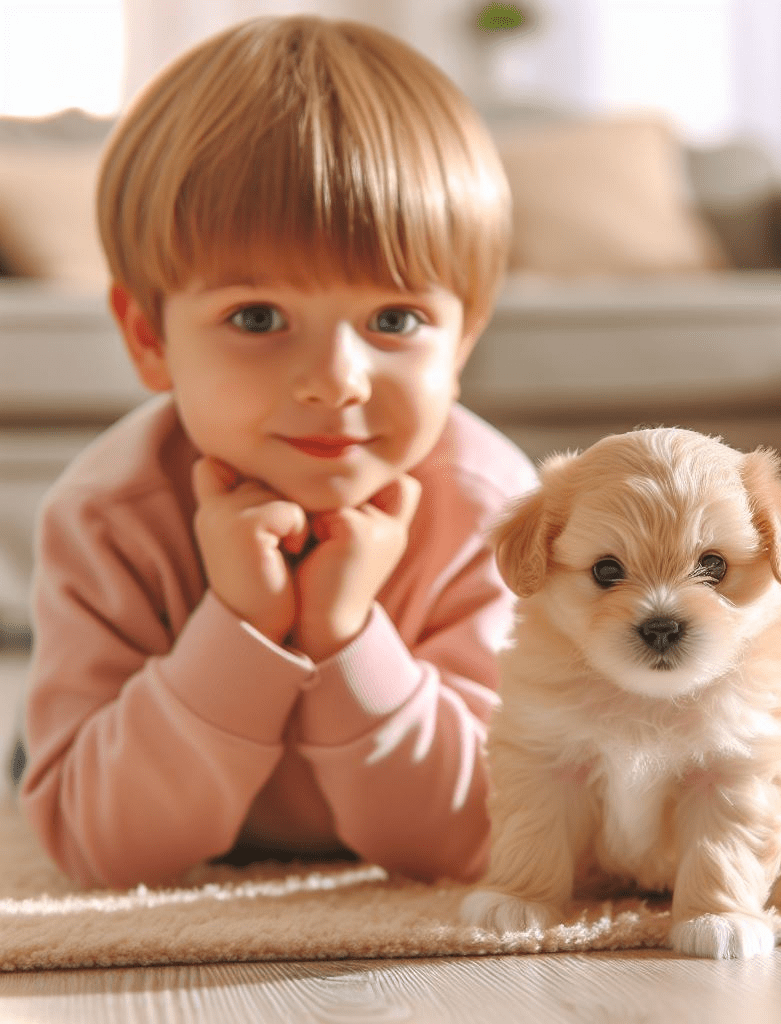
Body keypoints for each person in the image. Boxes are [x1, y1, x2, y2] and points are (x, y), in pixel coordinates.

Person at [17, 15, 537, 889]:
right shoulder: (107, 516)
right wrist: (243, 625)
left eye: (395, 320)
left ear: (463, 340)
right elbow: (102, 853)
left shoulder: (495, 514)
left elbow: (482, 841)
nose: (336, 381)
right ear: (148, 337)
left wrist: (345, 638)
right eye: (257, 318)